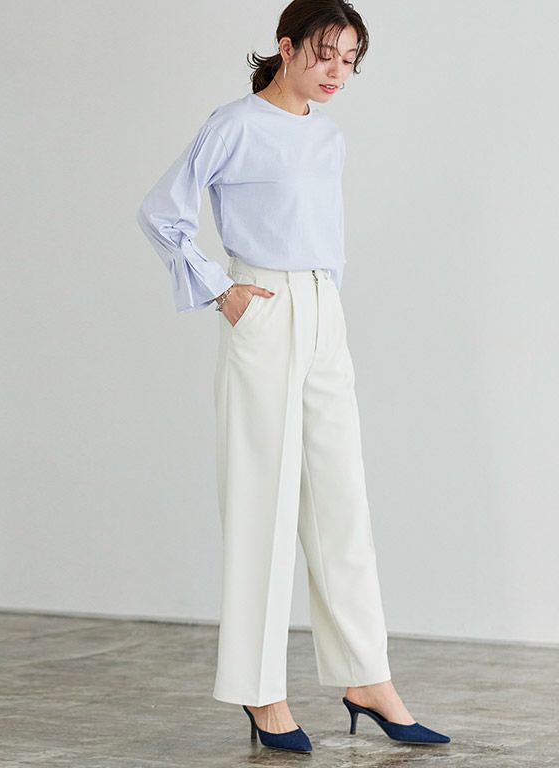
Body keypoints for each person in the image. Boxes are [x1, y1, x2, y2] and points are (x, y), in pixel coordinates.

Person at [136, 0, 451, 754]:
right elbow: (161, 212)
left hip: (323, 312)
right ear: (286, 47)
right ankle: (261, 691)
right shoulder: (234, 124)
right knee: (262, 502)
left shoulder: (329, 135)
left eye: (351, 59)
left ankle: (366, 676)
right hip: (264, 308)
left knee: (342, 499)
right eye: (326, 54)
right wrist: (223, 291)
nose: (338, 71)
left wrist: (325, 307)